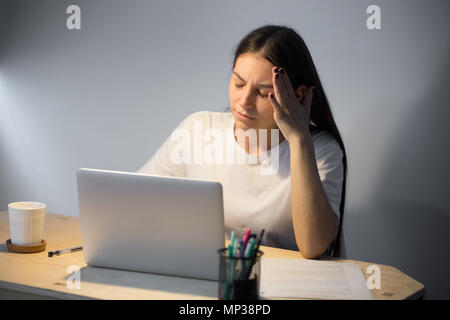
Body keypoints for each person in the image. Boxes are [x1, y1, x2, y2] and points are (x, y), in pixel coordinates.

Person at [138, 25, 347, 259]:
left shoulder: (321, 149)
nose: (244, 101)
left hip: (282, 284)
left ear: (297, 95)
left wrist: (299, 141)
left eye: (263, 92)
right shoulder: (198, 128)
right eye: (238, 83)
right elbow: (136, 200)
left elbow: (313, 246)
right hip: (206, 274)